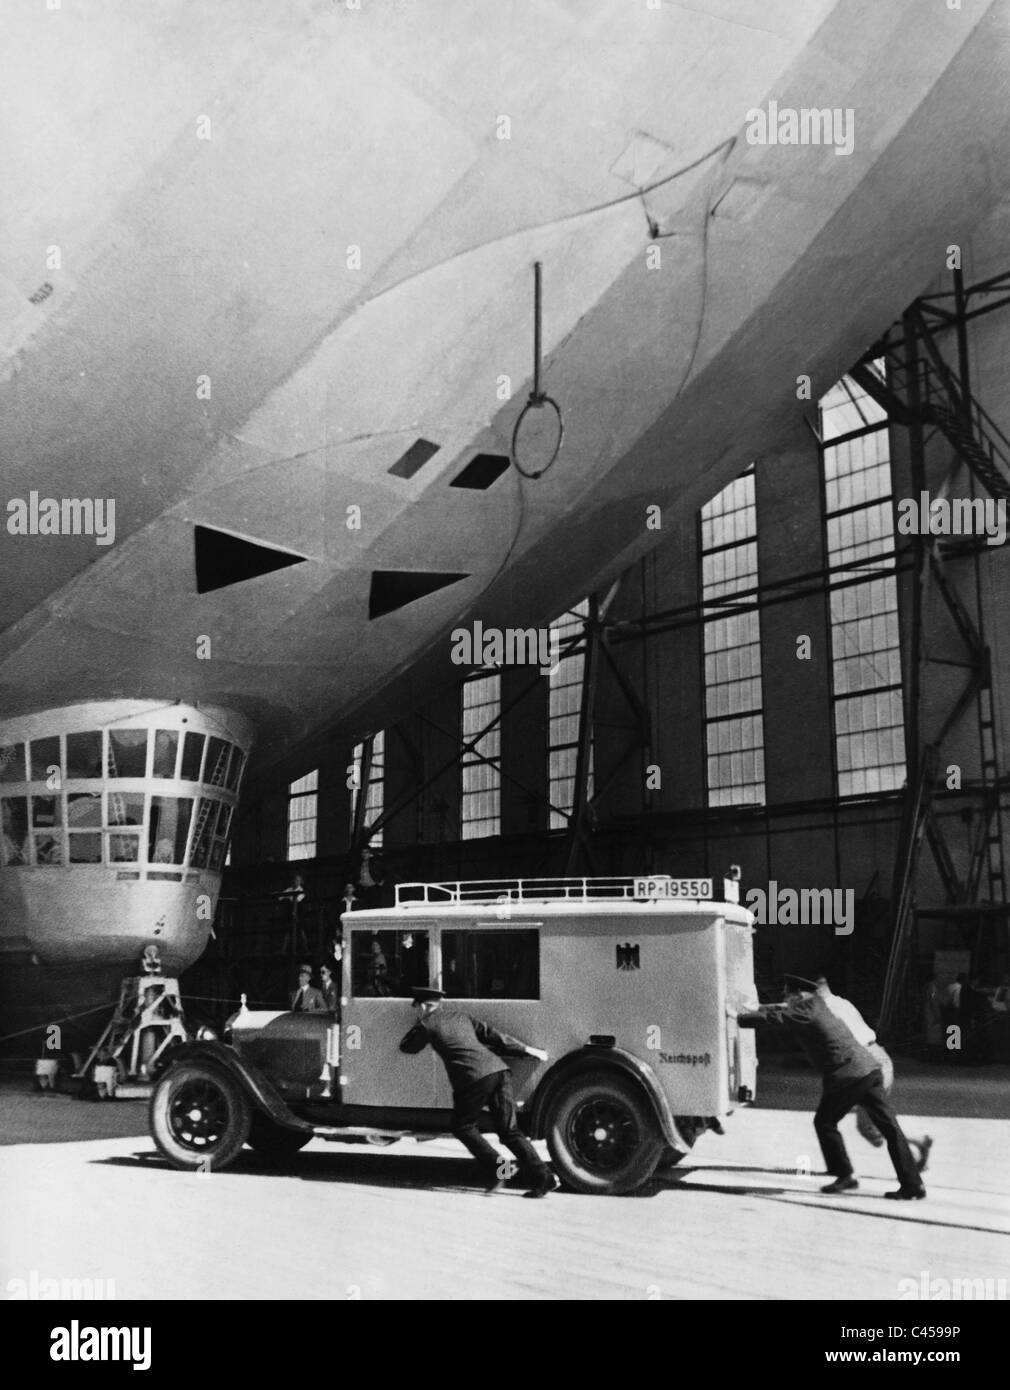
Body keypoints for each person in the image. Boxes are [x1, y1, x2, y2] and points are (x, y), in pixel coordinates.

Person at [738, 973, 926, 1200]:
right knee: (890, 1129)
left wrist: (736, 1018)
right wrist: (753, 1006)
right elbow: (779, 1010)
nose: (786, 999)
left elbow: (775, 1019)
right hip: (869, 1069)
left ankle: (845, 1174)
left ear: (798, 994)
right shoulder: (817, 1004)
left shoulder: (804, 1010)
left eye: (787, 994)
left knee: (824, 1122)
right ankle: (913, 1184)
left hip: (848, 1076)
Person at [399, 986, 558, 1197]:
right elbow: (494, 1036)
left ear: (424, 1006)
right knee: (509, 1132)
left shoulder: (426, 1025)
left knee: (462, 1127)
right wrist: (528, 1050)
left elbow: (407, 1047)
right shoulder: (461, 1017)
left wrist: (418, 1025)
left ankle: (503, 1169)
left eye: (417, 1007)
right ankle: (545, 1178)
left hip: (473, 1079)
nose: (417, 1011)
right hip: (500, 1071)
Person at [814, 973, 932, 1174]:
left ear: (816, 990)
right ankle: (915, 1153)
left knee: (870, 1127)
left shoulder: (826, 1009)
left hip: (868, 1062)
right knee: (876, 1123)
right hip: (876, 1055)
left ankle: (914, 1156)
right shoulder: (842, 1002)